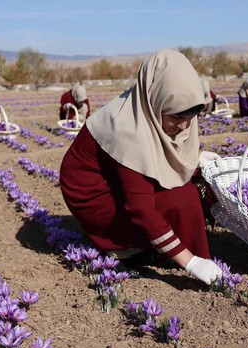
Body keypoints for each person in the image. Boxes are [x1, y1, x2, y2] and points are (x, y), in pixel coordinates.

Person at [59, 49, 223, 285]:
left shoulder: (153, 108)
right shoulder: (128, 130)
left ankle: (160, 245)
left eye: (191, 116)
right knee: (179, 199)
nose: (185, 126)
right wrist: (191, 262)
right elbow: (140, 209)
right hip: (94, 194)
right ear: (156, 101)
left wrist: (195, 159)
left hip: (117, 177)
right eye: (176, 117)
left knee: (186, 190)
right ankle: (122, 249)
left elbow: (158, 156)